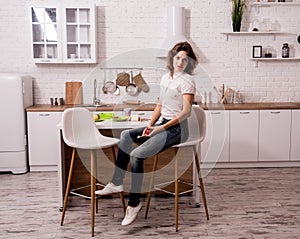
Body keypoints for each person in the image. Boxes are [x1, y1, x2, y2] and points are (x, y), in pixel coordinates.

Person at [95, 41, 198, 226]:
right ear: (172, 58)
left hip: (177, 129)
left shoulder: (188, 82)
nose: (181, 62)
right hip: (161, 123)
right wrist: (150, 126)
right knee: (126, 136)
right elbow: (160, 105)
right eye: (178, 57)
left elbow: (186, 113)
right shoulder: (166, 78)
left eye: (185, 59)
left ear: (189, 61)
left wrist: (161, 128)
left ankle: (134, 204)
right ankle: (116, 182)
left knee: (136, 155)